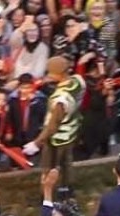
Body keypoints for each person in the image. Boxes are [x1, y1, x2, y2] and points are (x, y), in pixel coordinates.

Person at [26, 56, 86, 184]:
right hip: (72, 129)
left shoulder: (60, 99)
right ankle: (68, 190)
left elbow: (53, 126)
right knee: (67, 163)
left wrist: (36, 143)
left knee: (49, 168)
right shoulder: (78, 81)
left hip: (57, 138)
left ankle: (48, 195)